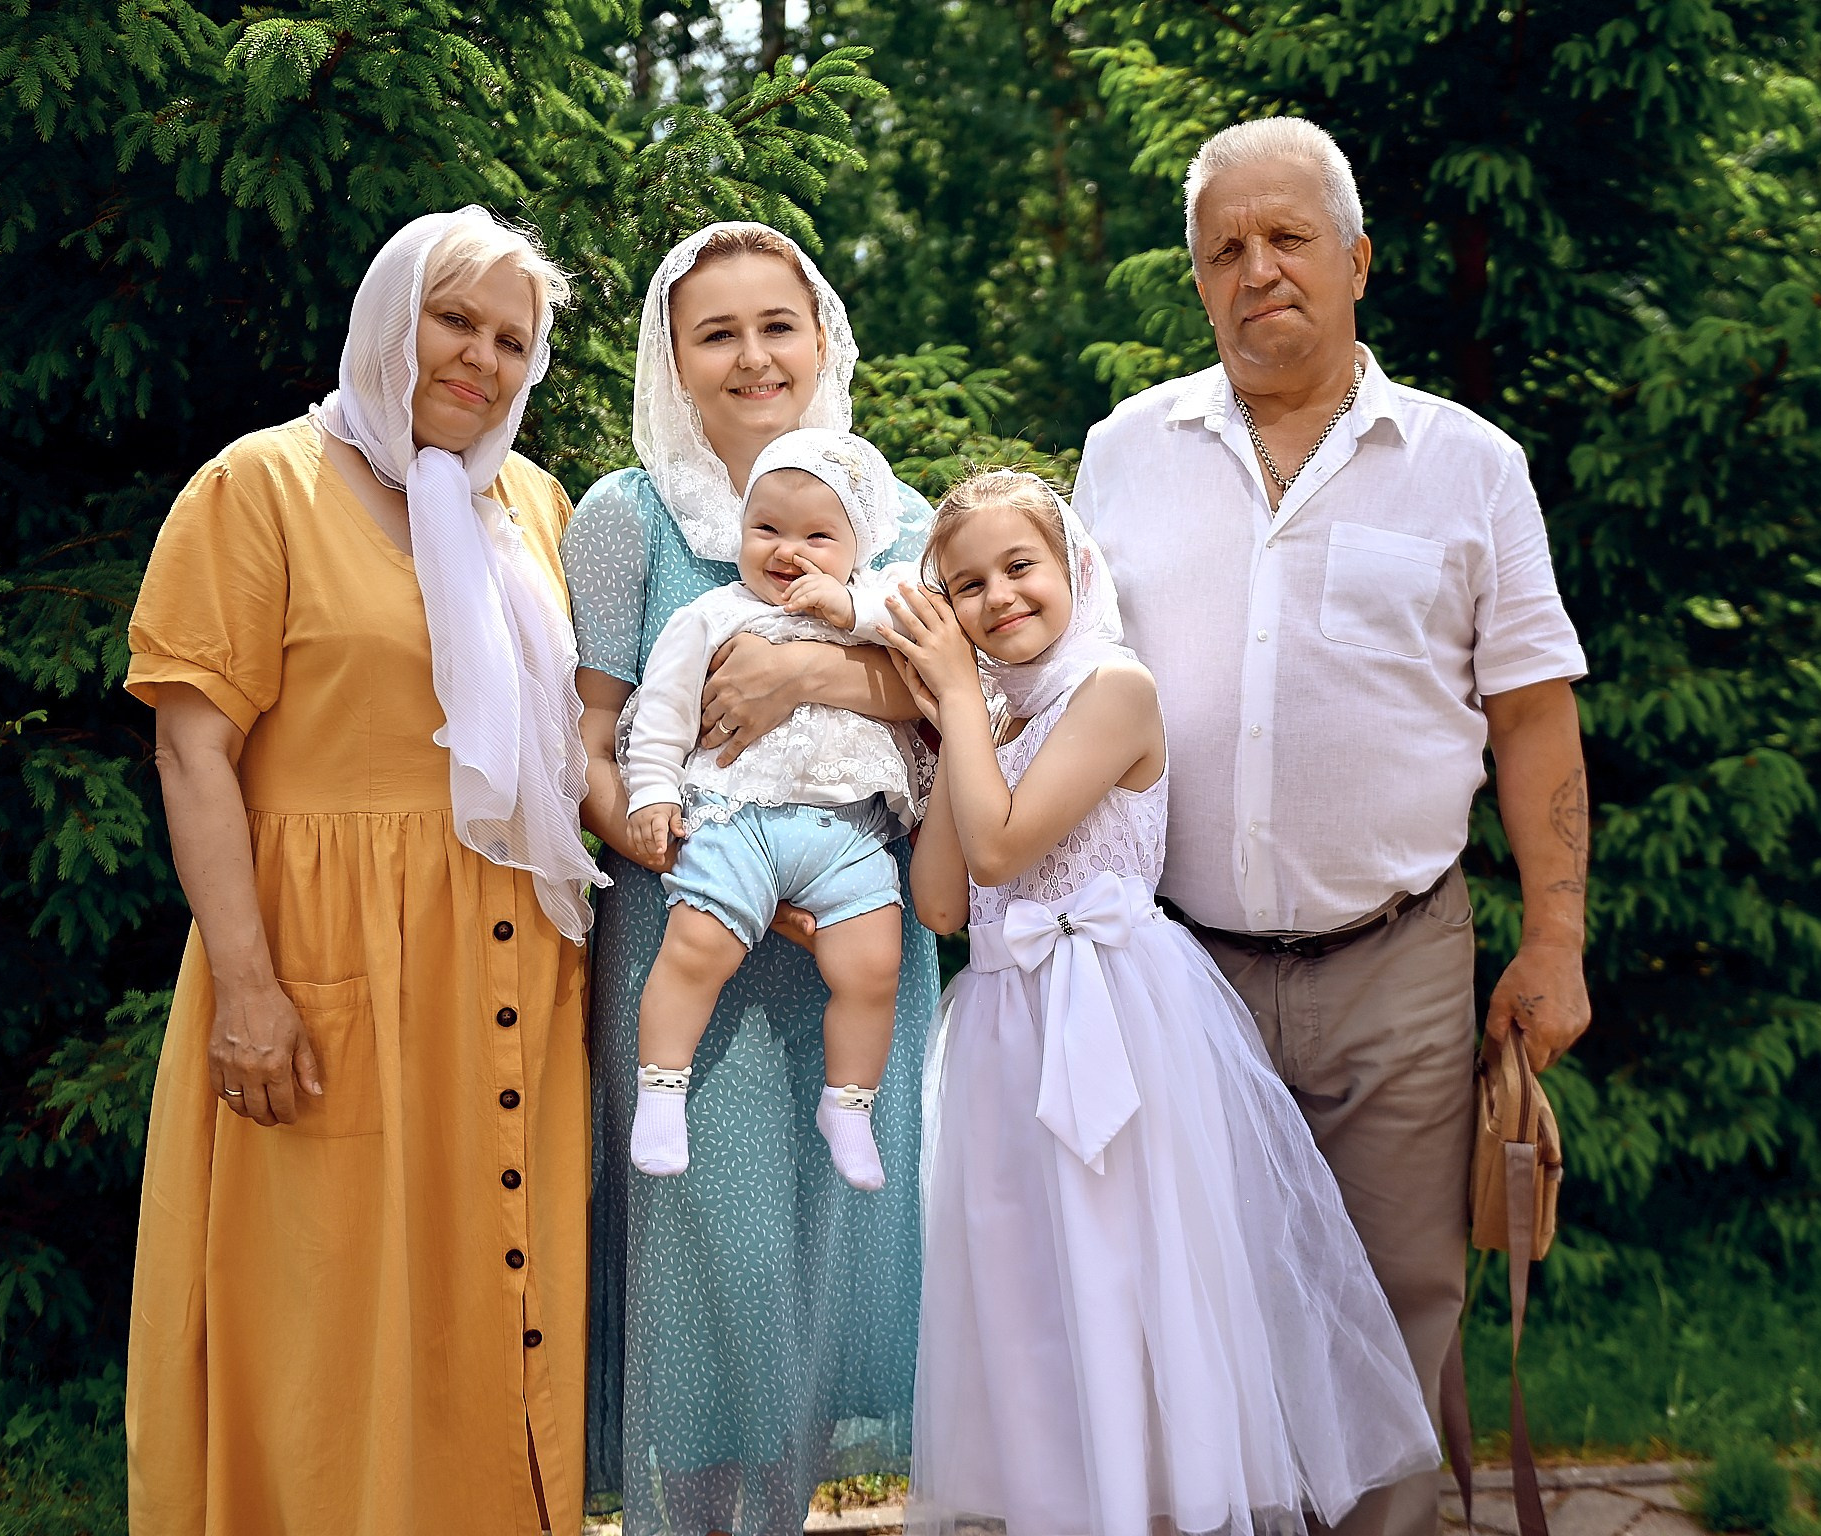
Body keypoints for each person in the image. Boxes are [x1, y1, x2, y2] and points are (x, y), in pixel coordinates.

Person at [1074, 116, 1592, 1536]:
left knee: (1393, 1318)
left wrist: (1556, 940)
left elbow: (1532, 717)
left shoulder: (1467, 464)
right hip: (1176, 968)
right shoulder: (1123, 452)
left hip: (1396, 965)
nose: (1258, 270)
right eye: (1224, 249)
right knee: (1198, 1327)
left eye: (1287, 238)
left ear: (1356, 261)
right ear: (1198, 280)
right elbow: (1051, 679)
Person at [124, 206, 603, 1536]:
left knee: (489, 1308)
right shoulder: (259, 487)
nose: (481, 359)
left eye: (512, 340)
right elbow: (192, 752)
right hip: (325, 971)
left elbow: (587, 742)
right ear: (391, 318)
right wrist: (247, 988)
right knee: (324, 1322)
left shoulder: (532, 507)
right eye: (455, 321)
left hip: (508, 974)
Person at [884, 468, 1438, 1536]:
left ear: (1073, 566)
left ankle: (1160, 1509)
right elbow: (944, 901)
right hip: (1006, 1031)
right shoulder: (992, 719)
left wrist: (956, 702)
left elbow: (1002, 845)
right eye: (965, 585)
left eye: (1019, 566)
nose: (998, 597)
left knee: (1126, 1276)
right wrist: (963, 720)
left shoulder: (1113, 687)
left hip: (1113, 1019)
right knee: (1031, 1290)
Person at [561, 224, 935, 1536]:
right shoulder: (625, 519)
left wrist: (807, 672)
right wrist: (682, 853)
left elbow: (957, 703)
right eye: (715, 332)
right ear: (672, 358)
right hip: (692, 936)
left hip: (854, 937)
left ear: (822, 336)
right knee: (712, 1275)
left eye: (778, 324)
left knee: (820, 1263)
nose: (753, 356)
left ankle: (777, 1521)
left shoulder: (897, 516)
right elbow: (586, 742)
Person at [622, 428, 923, 1191]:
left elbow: (927, 648)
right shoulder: (713, 615)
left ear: (860, 545)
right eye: (767, 529)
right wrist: (653, 791)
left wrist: (847, 605)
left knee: (873, 966)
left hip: (848, 831)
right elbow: (661, 711)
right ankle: (661, 1091)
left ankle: (847, 1104)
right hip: (736, 815)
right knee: (695, 948)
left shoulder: (876, 602)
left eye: (818, 537)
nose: (789, 551)